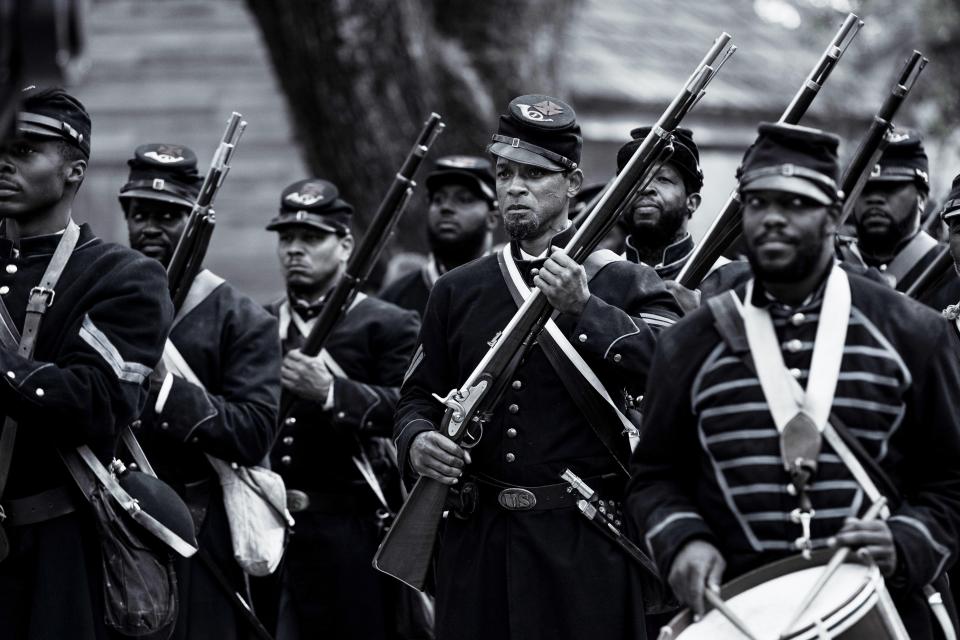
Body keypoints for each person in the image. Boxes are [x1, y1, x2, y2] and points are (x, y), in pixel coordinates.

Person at [626, 122, 960, 639]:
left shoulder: (915, 334)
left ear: (833, 217)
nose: (773, 219)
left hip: (884, 607)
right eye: (758, 203)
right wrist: (684, 540)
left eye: (795, 204)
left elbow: (950, 480)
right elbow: (655, 477)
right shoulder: (689, 343)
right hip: (741, 609)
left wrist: (910, 540)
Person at [395, 94, 683, 640]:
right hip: (478, 545)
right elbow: (415, 397)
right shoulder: (458, 290)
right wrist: (417, 442)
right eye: (504, 173)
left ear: (573, 183)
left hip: (585, 546)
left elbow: (676, 372)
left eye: (534, 173)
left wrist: (588, 311)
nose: (514, 187)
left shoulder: (625, 282)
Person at [0, 88, 173, 638]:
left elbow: (96, 402)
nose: (5, 161)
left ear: (75, 170)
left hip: (57, 551)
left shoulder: (122, 277)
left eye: (26, 149)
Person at [119, 142, 281, 639]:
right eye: (141, 212)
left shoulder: (240, 317)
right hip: (115, 520)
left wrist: (164, 391)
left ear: (196, 224)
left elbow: (254, 431)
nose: (151, 226)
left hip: (198, 528)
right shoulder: (106, 298)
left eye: (169, 215)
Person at [264, 178, 421, 640]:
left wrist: (332, 391)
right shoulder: (258, 320)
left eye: (312, 238)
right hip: (271, 529)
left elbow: (411, 410)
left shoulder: (388, 323)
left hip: (353, 530)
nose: (295, 249)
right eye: (287, 238)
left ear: (346, 244)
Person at [845, 130, 960, 308]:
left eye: (890, 188)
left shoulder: (952, 271)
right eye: (865, 188)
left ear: (921, 198)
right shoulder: (828, 266)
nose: (875, 198)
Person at [380, 155, 498, 316]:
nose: (446, 207)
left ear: (492, 218)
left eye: (464, 199)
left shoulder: (513, 288)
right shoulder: (393, 300)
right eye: (438, 199)